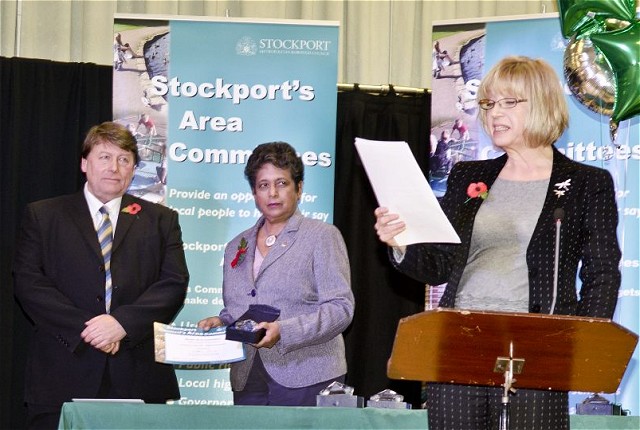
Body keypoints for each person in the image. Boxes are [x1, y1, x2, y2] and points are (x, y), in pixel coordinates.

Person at [374, 56, 620, 430]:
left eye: (508, 103)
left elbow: (602, 273)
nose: (492, 114)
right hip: (459, 342)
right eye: (488, 104)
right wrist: (401, 243)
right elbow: (439, 264)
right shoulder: (467, 175)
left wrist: (579, 345)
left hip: (536, 346)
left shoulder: (587, 182)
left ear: (540, 104)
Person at [13, 121, 190, 429]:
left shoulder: (161, 220)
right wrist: (90, 330)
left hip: (138, 373)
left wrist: (122, 323)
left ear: (134, 169)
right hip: (62, 371)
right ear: (85, 163)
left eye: (124, 159)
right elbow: (29, 283)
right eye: (105, 157)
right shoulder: (43, 215)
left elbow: (173, 283)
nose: (114, 167)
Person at [198, 141, 354, 406]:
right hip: (248, 376)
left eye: (281, 183)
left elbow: (341, 309)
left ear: (299, 188)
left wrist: (284, 331)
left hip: (308, 374)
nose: (272, 193)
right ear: (254, 193)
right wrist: (222, 322)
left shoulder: (322, 236)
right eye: (263, 185)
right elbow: (240, 307)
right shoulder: (236, 244)